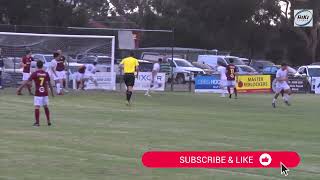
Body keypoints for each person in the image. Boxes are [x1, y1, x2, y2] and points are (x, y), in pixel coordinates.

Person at [17, 60, 54, 126]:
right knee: (45, 106)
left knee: (37, 107)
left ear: (37, 66)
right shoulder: (46, 73)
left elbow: (27, 81)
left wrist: (20, 88)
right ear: (42, 66)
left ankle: (37, 122)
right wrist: (52, 93)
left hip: (38, 93)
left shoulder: (35, 73)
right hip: (45, 93)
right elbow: (49, 84)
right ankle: (48, 121)